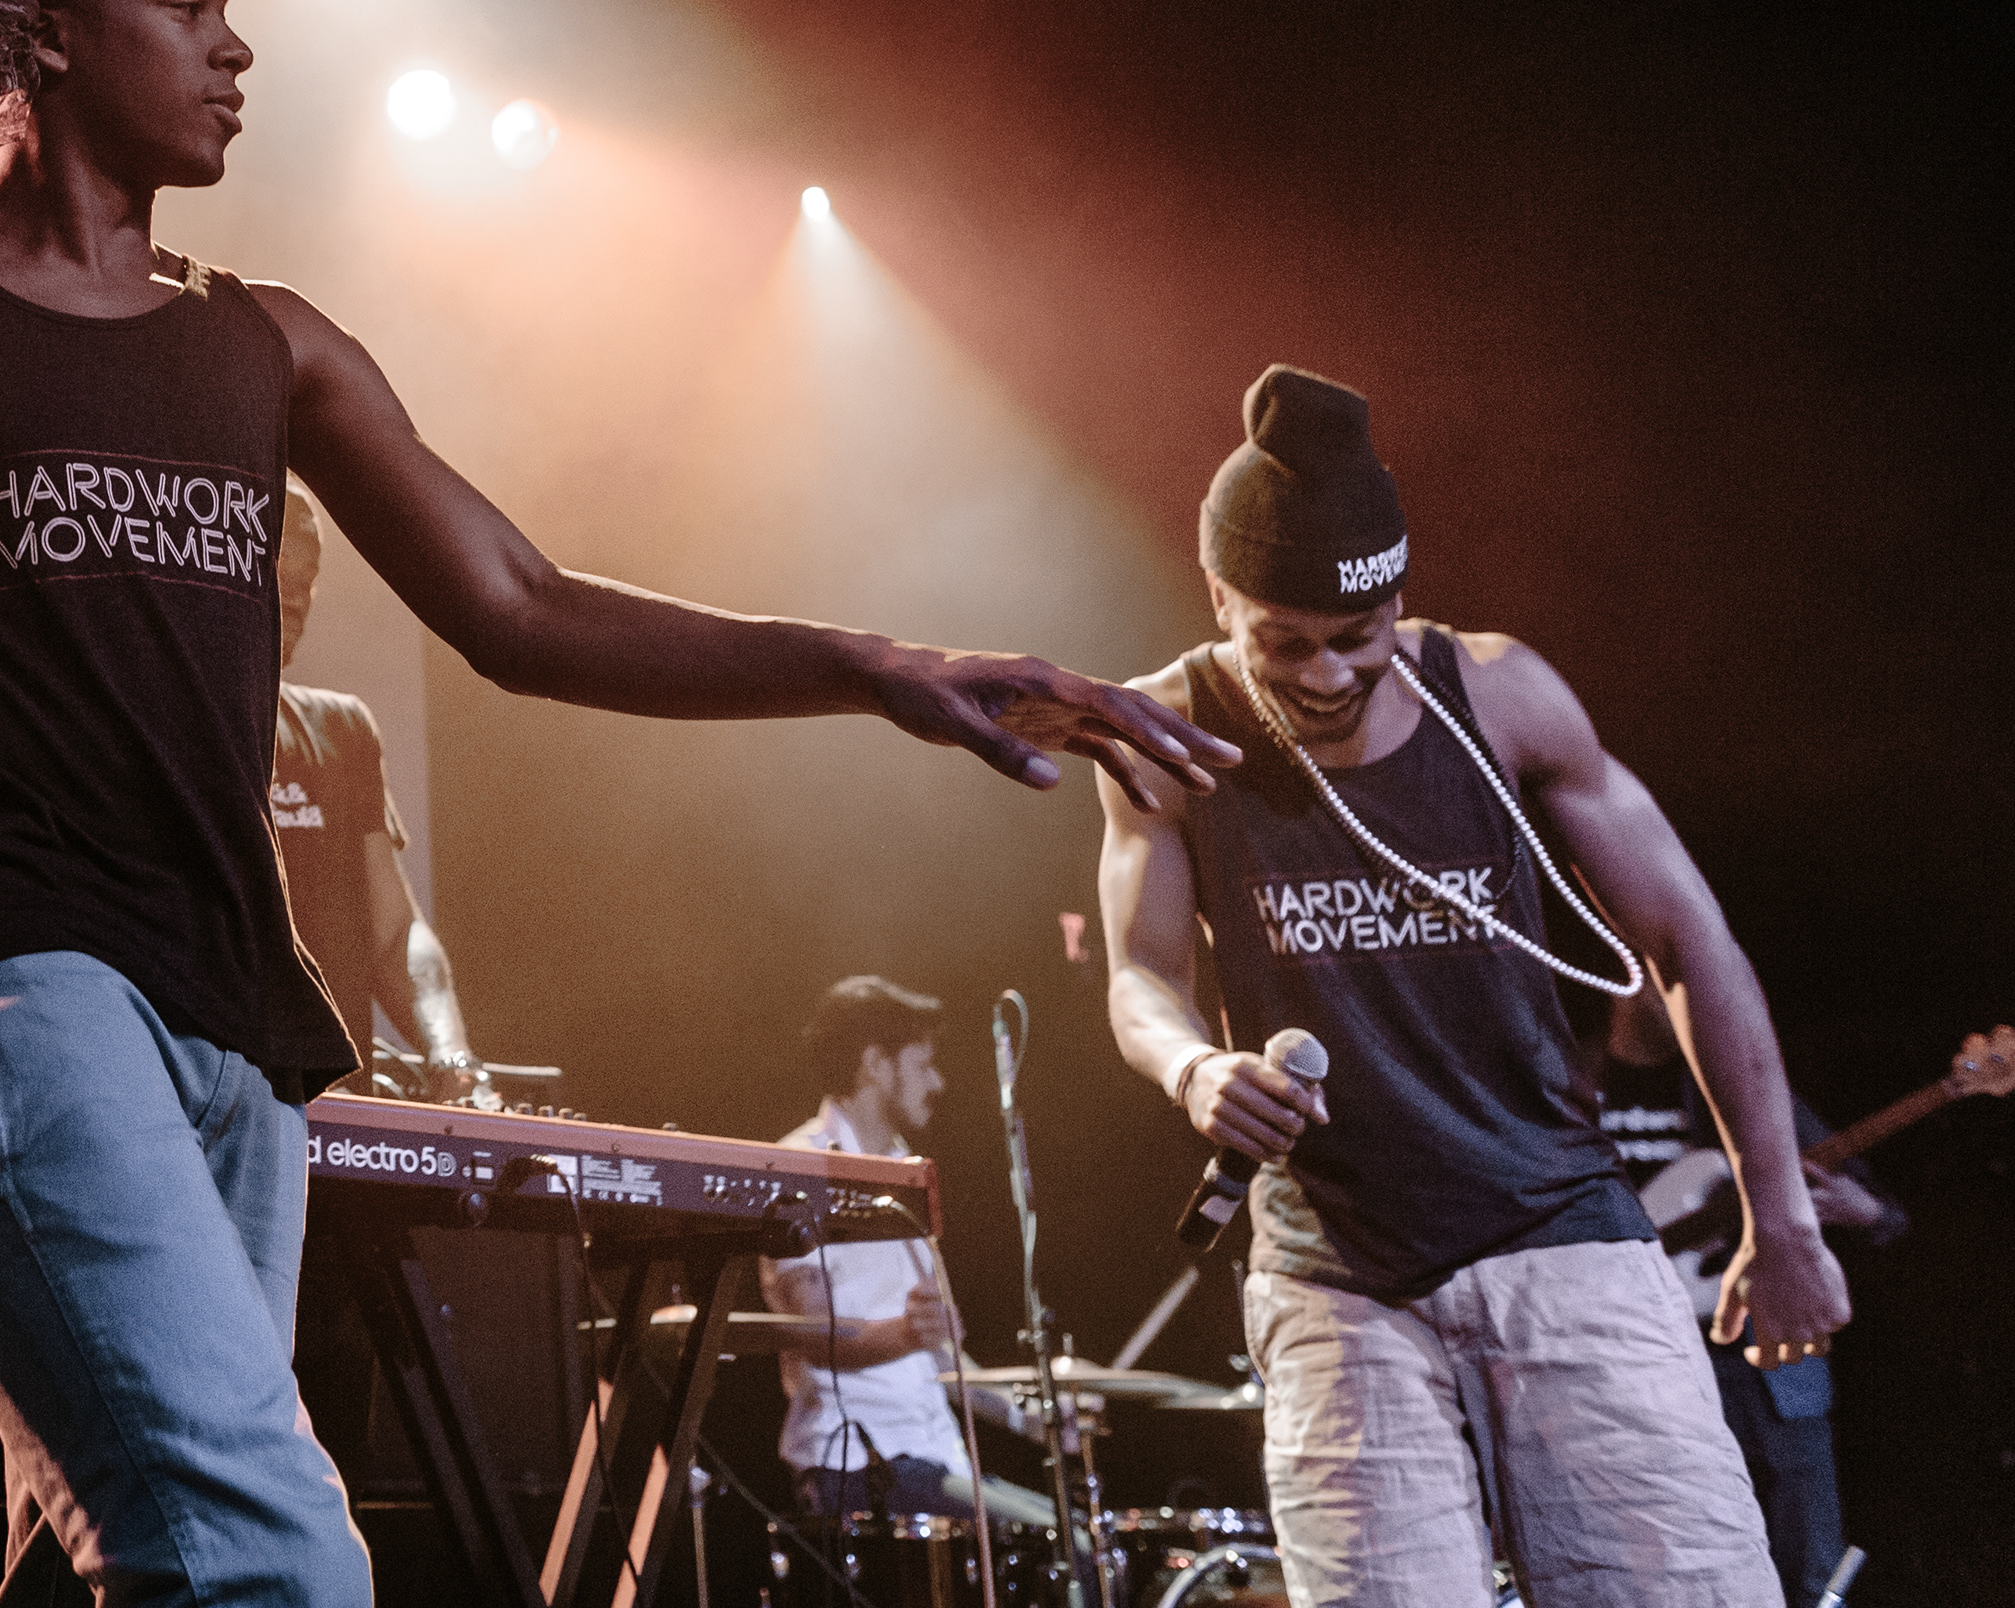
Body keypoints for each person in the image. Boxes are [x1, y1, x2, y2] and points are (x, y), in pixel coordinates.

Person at [0, 0, 1237, 1608]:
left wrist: (873, 665)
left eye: (230, 6)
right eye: (186, 3)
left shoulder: (270, 350)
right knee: (270, 1562)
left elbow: (522, 605)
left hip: (230, 1023)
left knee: (125, 1553)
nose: (235, 46)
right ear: (43, 30)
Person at [1096, 364, 1845, 1608]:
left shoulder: (1499, 694)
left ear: (1398, 595)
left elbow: (1689, 942)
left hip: (1562, 1232)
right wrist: (1193, 1067)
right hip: (1337, 1276)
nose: (1325, 674)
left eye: (1357, 637)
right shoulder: (1166, 733)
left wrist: (1784, 1221)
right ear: (1220, 596)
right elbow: (1137, 975)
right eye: (1285, 641)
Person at [1595, 983, 1903, 1606]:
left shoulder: (1738, 1088)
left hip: (1762, 1351)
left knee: (1803, 1549)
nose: (1680, 992)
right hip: (1626, 1352)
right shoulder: (1569, 1083)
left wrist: (1862, 1210)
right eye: (1661, 976)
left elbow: (1886, 1215)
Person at [761, 976, 1053, 1530]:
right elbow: (814, 1335)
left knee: (1076, 1534)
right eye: (923, 1064)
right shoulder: (798, 1169)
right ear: (876, 1064)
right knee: (1065, 1544)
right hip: (853, 1462)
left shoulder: (904, 1172)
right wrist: (908, 1332)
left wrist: (1032, 1416)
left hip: (932, 1456)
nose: (937, 1082)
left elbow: (938, 1356)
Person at [268, 478, 488, 1106]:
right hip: (211, 1102)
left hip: (339, 1112)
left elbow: (393, 935)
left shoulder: (341, 728)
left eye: (308, 578)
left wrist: (453, 1061)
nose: (297, 596)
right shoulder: (162, 722)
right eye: (278, 568)